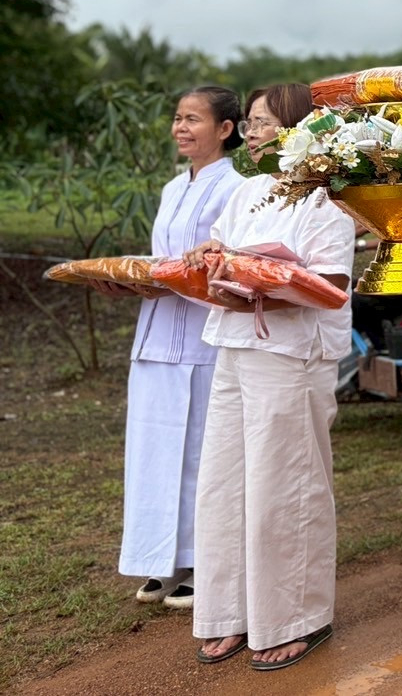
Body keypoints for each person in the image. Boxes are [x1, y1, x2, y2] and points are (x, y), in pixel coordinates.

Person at [190, 83, 355, 671]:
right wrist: (214, 258)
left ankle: (296, 618)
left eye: (262, 124)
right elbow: (229, 253)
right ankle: (229, 611)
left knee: (283, 487)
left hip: (291, 357)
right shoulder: (252, 191)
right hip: (235, 347)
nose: (252, 132)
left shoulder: (328, 202)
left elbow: (330, 286)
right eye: (252, 123)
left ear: (297, 132)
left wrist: (253, 290)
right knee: (224, 484)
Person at [94, 86, 244, 610]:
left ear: (225, 130)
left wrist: (171, 277)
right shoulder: (168, 189)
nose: (181, 128)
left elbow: (229, 262)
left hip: (204, 335)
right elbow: (163, 261)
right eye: (177, 118)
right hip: (156, 334)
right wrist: (131, 282)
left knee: (200, 453)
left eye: (193, 119)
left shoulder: (239, 188)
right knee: (154, 452)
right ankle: (163, 561)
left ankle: (205, 562)